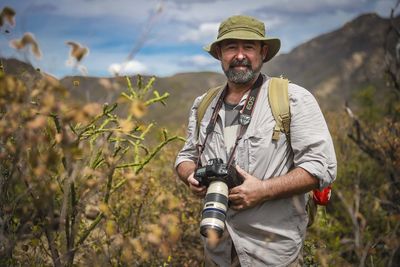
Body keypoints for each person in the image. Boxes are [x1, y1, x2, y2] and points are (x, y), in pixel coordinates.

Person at [175, 15, 337, 267]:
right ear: (219, 53)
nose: (240, 55)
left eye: (248, 47)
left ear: (263, 52)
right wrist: (191, 176)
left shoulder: (293, 99)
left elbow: (322, 168)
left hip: (272, 254)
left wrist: (263, 190)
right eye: (231, 47)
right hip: (216, 250)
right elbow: (185, 157)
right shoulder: (203, 104)